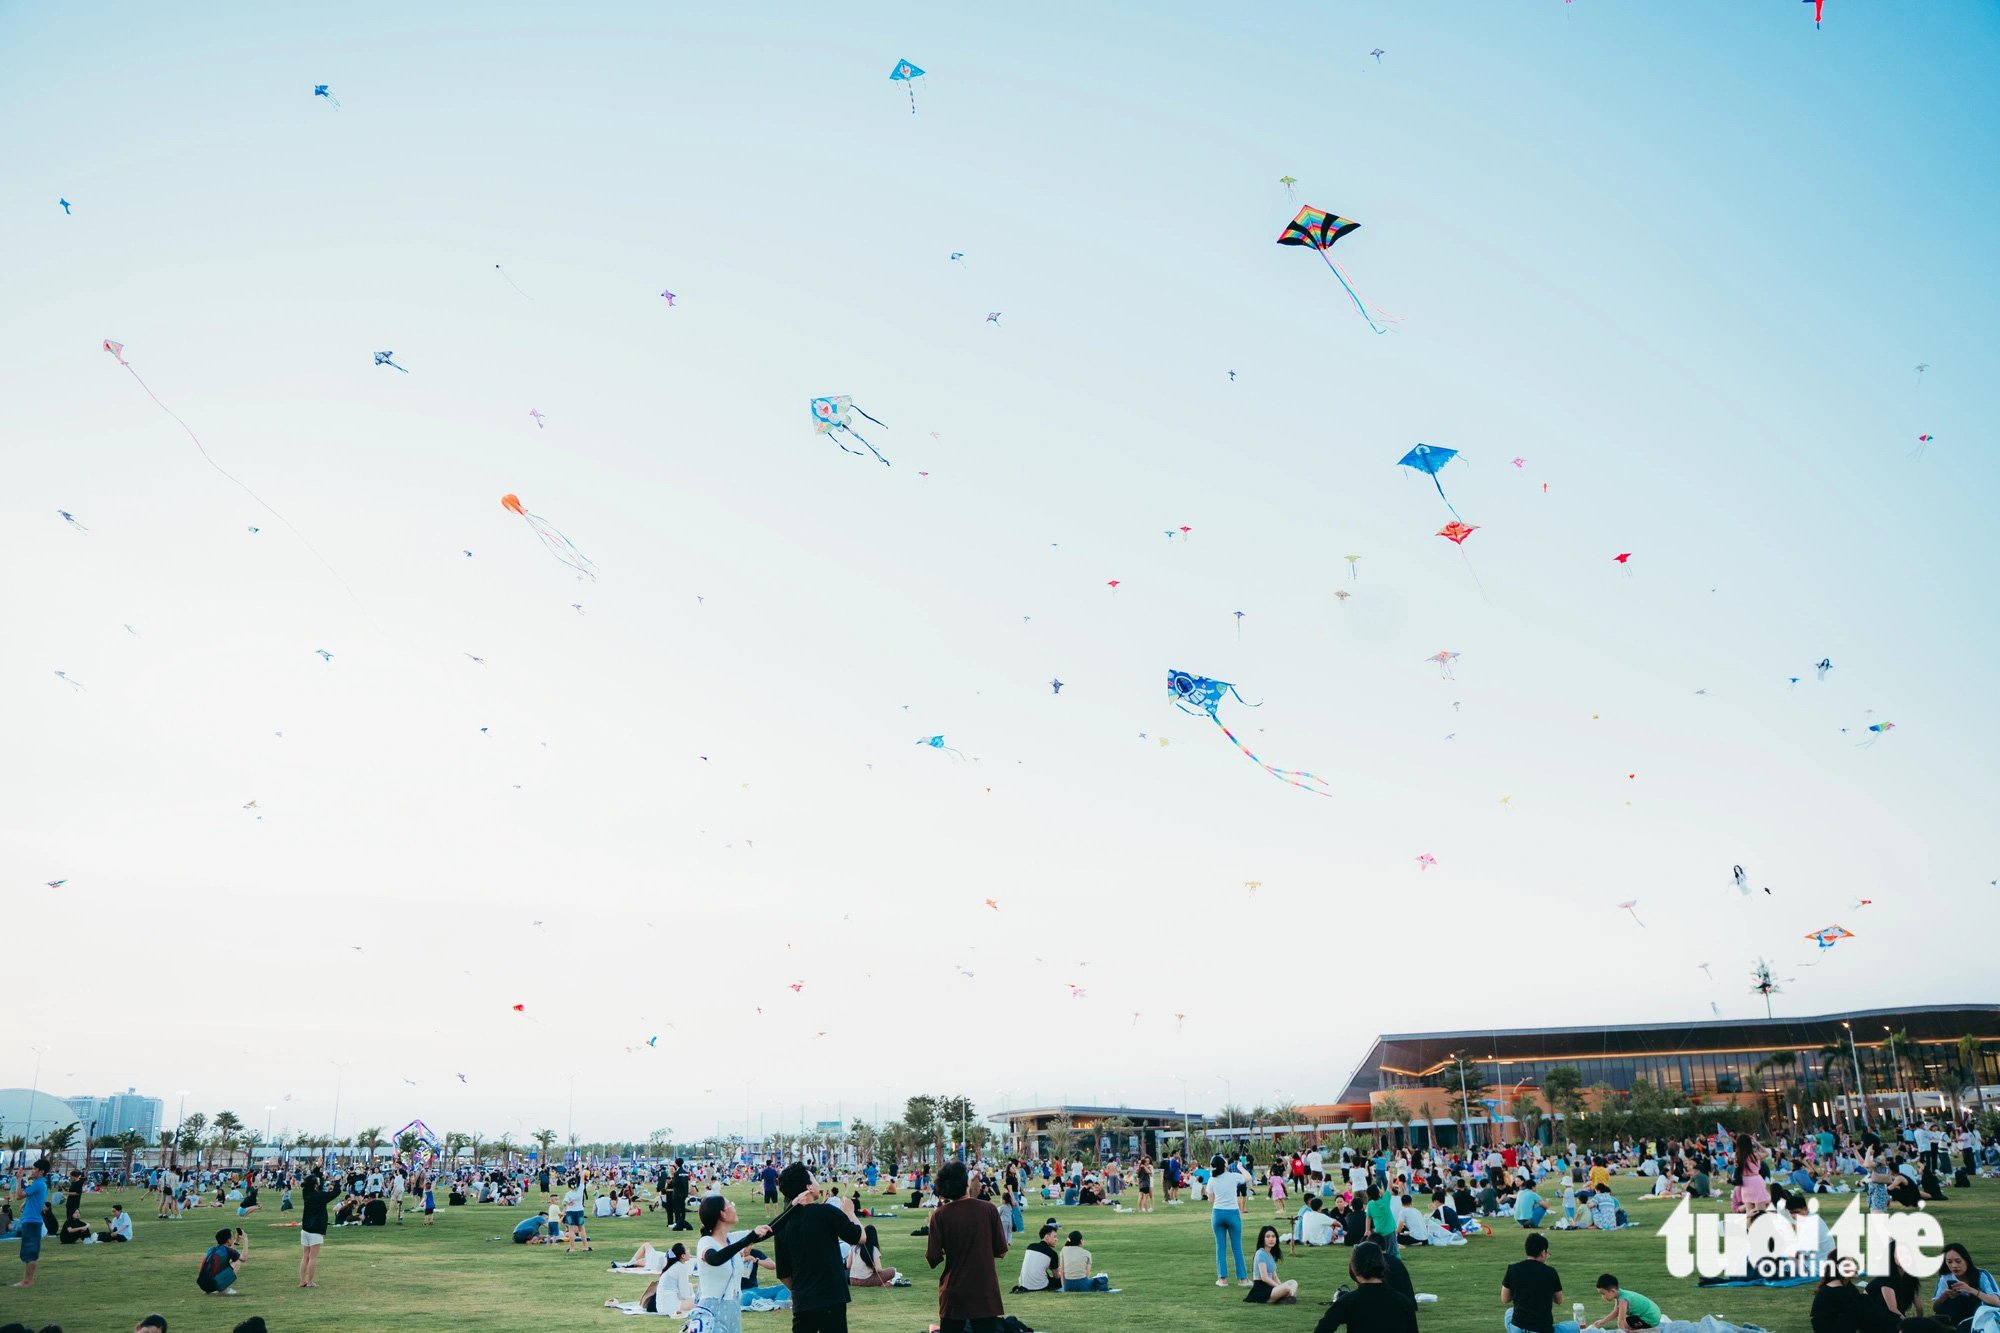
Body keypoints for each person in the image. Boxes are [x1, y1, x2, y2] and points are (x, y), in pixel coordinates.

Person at [772, 1163, 864, 1333]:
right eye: (813, 1179)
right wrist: (850, 1212)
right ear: (808, 1187)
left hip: (803, 1302)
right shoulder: (826, 1212)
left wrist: (803, 1290)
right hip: (831, 1299)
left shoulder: (781, 1224)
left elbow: (783, 1274)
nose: (816, 1182)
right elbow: (860, 1237)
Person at [924, 1158, 1008, 1333]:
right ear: (966, 1183)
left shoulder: (939, 1215)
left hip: (954, 1291)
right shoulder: (989, 1209)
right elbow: (1001, 1251)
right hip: (984, 1290)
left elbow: (933, 1257)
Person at [696, 1194, 773, 1333]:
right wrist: (747, 1240)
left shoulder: (732, 1239)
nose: (734, 1207)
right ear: (722, 1214)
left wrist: (795, 1205)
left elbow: (768, 1230)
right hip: (712, 1308)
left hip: (733, 1307)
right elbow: (715, 1259)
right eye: (730, 1204)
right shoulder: (706, 1242)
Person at [1312, 1241, 1417, 1333]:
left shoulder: (1347, 1302)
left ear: (1354, 1268)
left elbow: (1322, 1330)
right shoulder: (1403, 1302)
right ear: (1383, 1265)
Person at [1504, 1232, 1580, 1333]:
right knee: (1574, 1326)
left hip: (1518, 1328)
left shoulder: (1512, 1269)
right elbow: (1559, 1300)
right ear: (1543, 1252)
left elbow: (1505, 1299)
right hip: (1542, 1329)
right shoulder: (1550, 1272)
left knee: (1509, 1312)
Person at [1931, 1243, 2000, 1327]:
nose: (1954, 1266)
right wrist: (1944, 1296)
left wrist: (1971, 1290)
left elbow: (1996, 1302)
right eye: (1949, 1262)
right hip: (1956, 1315)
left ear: (1966, 1260)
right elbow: (1935, 1308)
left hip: (1979, 1318)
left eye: (1958, 1261)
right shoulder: (1945, 1278)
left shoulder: (1981, 1275)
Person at [1210, 1153, 1250, 1285]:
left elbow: (1211, 1200)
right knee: (1237, 1247)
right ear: (1225, 1165)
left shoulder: (1212, 1179)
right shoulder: (1233, 1176)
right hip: (1232, 1213)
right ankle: (1243, 1279)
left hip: (1217, 1213)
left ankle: (1222, 1279)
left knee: (1220, 1247)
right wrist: (1240, 1167)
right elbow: (1248, 1177)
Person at [9, 1159, 49, 1288]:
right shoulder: (40, 1184)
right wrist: (26, 1204)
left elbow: (19, 1195)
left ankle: (28, 1281)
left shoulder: (38, 1183)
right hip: (31, 1220)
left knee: (30, 1252)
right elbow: (36, 1199)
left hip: (32, 1221)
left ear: (41, 1171)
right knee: (28, 1252)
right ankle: (26, 1280)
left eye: (35, 1169)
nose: (33, 1170)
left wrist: (19, 1179)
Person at [298, 1169, 337, 1288]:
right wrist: (337, 1183)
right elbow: (334, 1194)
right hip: (316, 1229)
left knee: (305, 1256)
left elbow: (318, 1191)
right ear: (315, 1184)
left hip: (305, 1228)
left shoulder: (306, 1192)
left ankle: (302, 1281)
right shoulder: (319, 1196)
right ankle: (309, 1281)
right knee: (313, 1257)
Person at [1584, 1274, 1662, 1330]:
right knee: (1627, 1322)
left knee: (1625, 1325)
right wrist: (1602, 1322)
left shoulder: (1623, 1300)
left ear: (1612, 1291)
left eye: (1603, 1294)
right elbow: (1616, 1312)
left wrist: (1622, 1329)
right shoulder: (1620, 1294)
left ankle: (1649, 1331)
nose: (1602, 1297)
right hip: (1652, 1314)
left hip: (1650, 1318)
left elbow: (1620, 1321)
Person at [1245, 1225, 1298, 1304]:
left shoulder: (1269, 1254)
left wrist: (1281, 1286)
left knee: (1293, 1283)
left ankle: (1285, 1297)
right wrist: (1280, 1287)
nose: (1271, 1239)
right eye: (1268, 1236)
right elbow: (1265, 1278)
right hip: (1261, 1289)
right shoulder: (1260, 1253)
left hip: (1270, 1287)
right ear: (1262, 1239)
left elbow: (1275, 1277)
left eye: (1273, 1236)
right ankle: (1285, 1297)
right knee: (1286, 1288)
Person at [1012, 1222, 1060, 1293]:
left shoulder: (1030, 1247)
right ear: (1046, 1237)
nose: (1056, 1239)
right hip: (1040, 1286)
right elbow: (1056, 1276)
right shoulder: (1052, 1253)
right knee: (1063, 1280)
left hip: (1023, 1284)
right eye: (1054, 1236)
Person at [196, 1226, 244, 1296]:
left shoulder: (212, 1249)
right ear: (228, 1240)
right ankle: (223, 1289)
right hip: (213, 1284)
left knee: (223, 1265)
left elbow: (230, 1251)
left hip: (202, 1284)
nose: (233, 1238)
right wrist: (245, 1240)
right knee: (238, 1262)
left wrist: (236, 1242)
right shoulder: (227, 1250)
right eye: (232, 1237)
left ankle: (210, 1290)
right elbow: (243, 1258)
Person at [1364, 1184, 1401, 1259]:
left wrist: (1367, 1230)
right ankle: (1395, 1263)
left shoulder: (1370, 1204)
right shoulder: (1385, 1200)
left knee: (1381, 1251)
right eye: (1379, 1188)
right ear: (1378, 1192)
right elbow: (1389, 1186)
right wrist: (1390, 1173)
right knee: (1393, 1251)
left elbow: (1368, 1217)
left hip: (1379, 1232)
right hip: (1389, 1231)